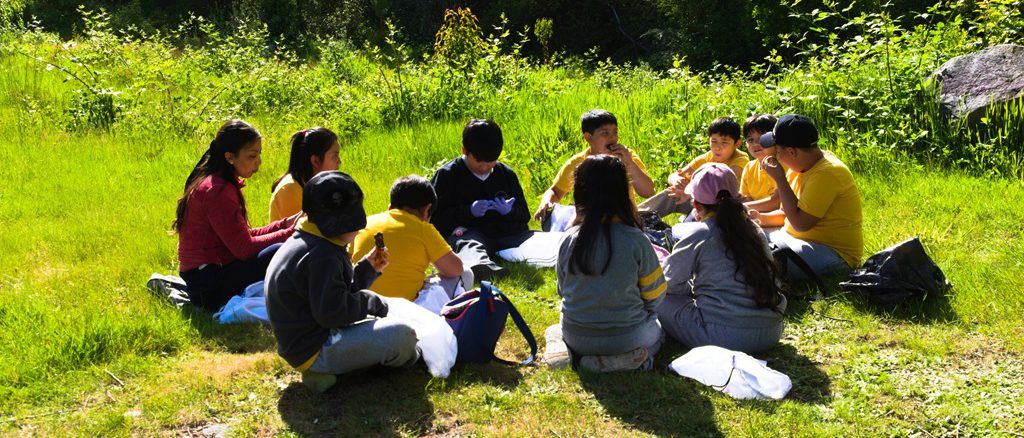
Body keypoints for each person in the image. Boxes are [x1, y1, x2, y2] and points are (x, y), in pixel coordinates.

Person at [265, 171, 420, 393]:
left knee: (384, 321)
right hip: (315, 348)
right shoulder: (322, 255)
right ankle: (414, 357)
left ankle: (325, 371)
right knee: (402, 335)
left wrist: (367, 269)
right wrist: (370, 301)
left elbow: (335, 293)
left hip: (305, 343)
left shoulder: (312, 240)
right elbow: (332, 312)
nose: (357, 229)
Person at [550, 155, 667, 372]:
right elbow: (655, 296)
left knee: (557, 326)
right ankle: (633, 360)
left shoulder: (569, 238)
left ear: (580, 194)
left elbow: (562, 290)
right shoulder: (636, 240)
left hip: (577, 335)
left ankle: (568, 350)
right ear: (623, 192)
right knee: (659, 332)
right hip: (629, 337)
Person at [656, 163, 787, 354]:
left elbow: (667, 284)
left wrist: (687, 289)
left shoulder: (700, 234)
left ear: (696, 205)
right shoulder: (754, 229)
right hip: (771, 332)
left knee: (656, 297)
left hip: (725, 337)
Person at [174, 119, 299, 311]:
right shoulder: (216, 190)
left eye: (259, 154)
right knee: (281, 250)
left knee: (281, 248)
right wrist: (292, 232)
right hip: (207, 285)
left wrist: (285, 224)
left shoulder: (220, 183)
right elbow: (243, 248)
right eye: (252, 156)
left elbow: (243, 236)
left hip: (209, 276)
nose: (258, 162)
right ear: (230, 157)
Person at [755, 114, 863, 283]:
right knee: (746, 236)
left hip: (833, 254)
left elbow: (800, 224)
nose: (776, 157)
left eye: (778, 152)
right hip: (795, 239)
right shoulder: (801, 165)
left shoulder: (827, 173)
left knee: (755, 258)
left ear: (792, 152)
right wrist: (760, 219)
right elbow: (786, 215)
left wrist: (780, 179)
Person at [430, 119, 532, 280]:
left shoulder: (506, 174)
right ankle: (482, 266)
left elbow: (524, 215)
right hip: (470, 234)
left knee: (532, 239)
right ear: (464, 150)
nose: (484, 167)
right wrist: (468, 211)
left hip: (506, 233)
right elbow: (434, 219)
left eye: (491, 162)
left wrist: (509, 211)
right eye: (479, 162)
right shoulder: (447, 175)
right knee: (466, 244)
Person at [351, 176, 472, 311]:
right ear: (427, 210)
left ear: (390, 206)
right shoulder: (422, 229)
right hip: (407, 311)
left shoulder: (365, 223)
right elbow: (456, 269)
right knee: (466, 273)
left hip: (362, 306)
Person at [533, 109, 655, 221]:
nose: (613, 137)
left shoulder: (627, 157)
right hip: (589, 221)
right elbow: (555, 191)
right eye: (605, 133)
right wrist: (546, 202)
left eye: (615, 132)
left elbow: (648, 192)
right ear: (588, 137)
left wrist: (629, 164)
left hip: (624, 220)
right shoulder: (578, 162)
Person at [638, 117, 750, 219]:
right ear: (708, 140)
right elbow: (674, 175)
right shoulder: (707, 157)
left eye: (724, 142)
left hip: (725, 207)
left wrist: (689, 191)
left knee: (690, 196)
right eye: (714, 141)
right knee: (672, 193)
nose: (717, 147)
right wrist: (678, 182)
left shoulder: (741, 159)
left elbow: (718, 184)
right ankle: (636, 217)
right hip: (703, 202)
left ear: (737, 144)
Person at [268, 127, 341, 221]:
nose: (339, 161)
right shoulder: (290, 189)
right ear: (315, 161)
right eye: (335, 156)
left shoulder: (317, 185)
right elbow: (303, 228)